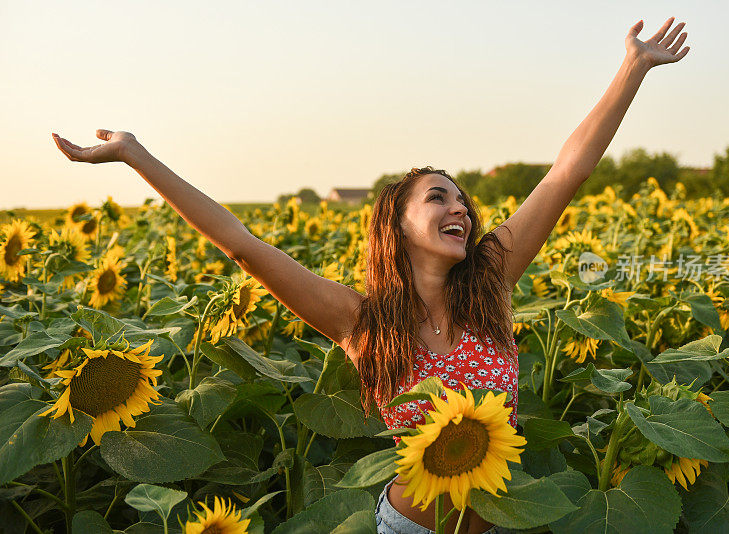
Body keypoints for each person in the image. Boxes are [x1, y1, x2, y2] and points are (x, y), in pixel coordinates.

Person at [52, 16, 689, 534]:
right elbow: (241, 245)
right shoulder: (359, 320)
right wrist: (135, 154)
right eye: (437, 198)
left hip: (498, 524)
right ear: (396, 224)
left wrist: (632, 68)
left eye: (462, 200)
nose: (459, 209)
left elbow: (565, 174)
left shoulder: (490, 281)